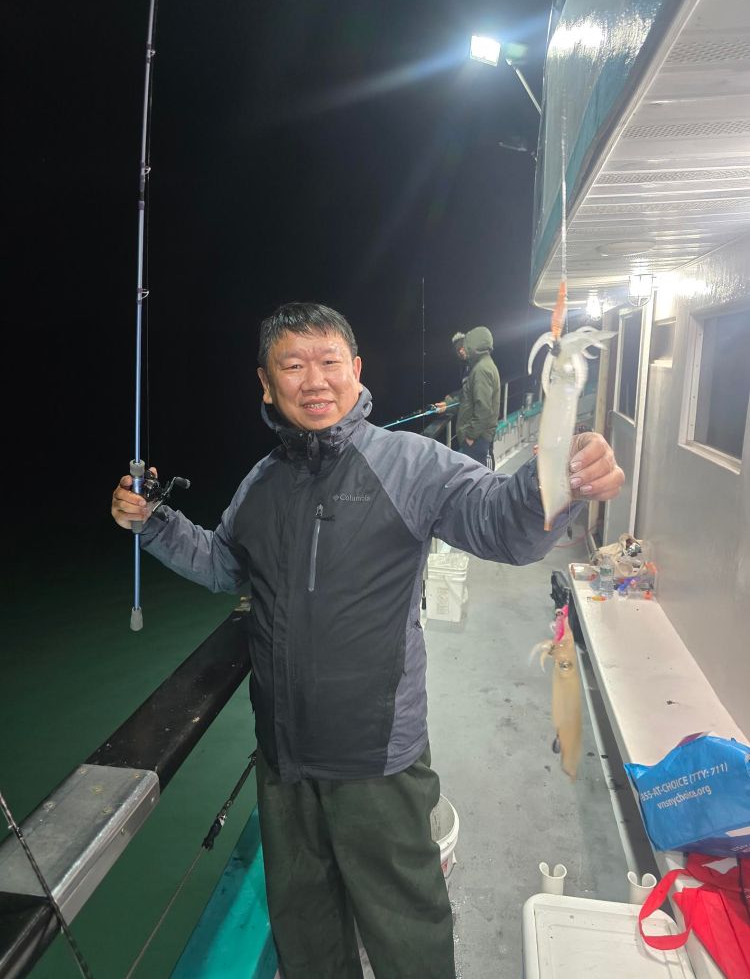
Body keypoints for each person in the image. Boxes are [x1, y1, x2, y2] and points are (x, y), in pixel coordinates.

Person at [111, 302, 624, 979]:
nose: (314, 380)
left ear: (356, 370)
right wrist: (153, 523)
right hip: (284, 761)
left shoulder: (409, 463)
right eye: (293, 365)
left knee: (408, 935)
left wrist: (555, 480)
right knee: (305, 932)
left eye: (329, 361)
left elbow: (500, 522)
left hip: (378, 763)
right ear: (266, 382)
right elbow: (223, 564)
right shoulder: (261, 483)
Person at [435, 326, 500, 467]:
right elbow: (467, 397)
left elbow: (483, 408)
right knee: (475, 473)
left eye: (464, 346)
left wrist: (471, 435)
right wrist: (448, 405)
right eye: (458, 349)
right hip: (477, 437)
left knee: (481, 473)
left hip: (478, 438)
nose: (462, 351)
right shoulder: (478, 366)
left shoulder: (481, 369)